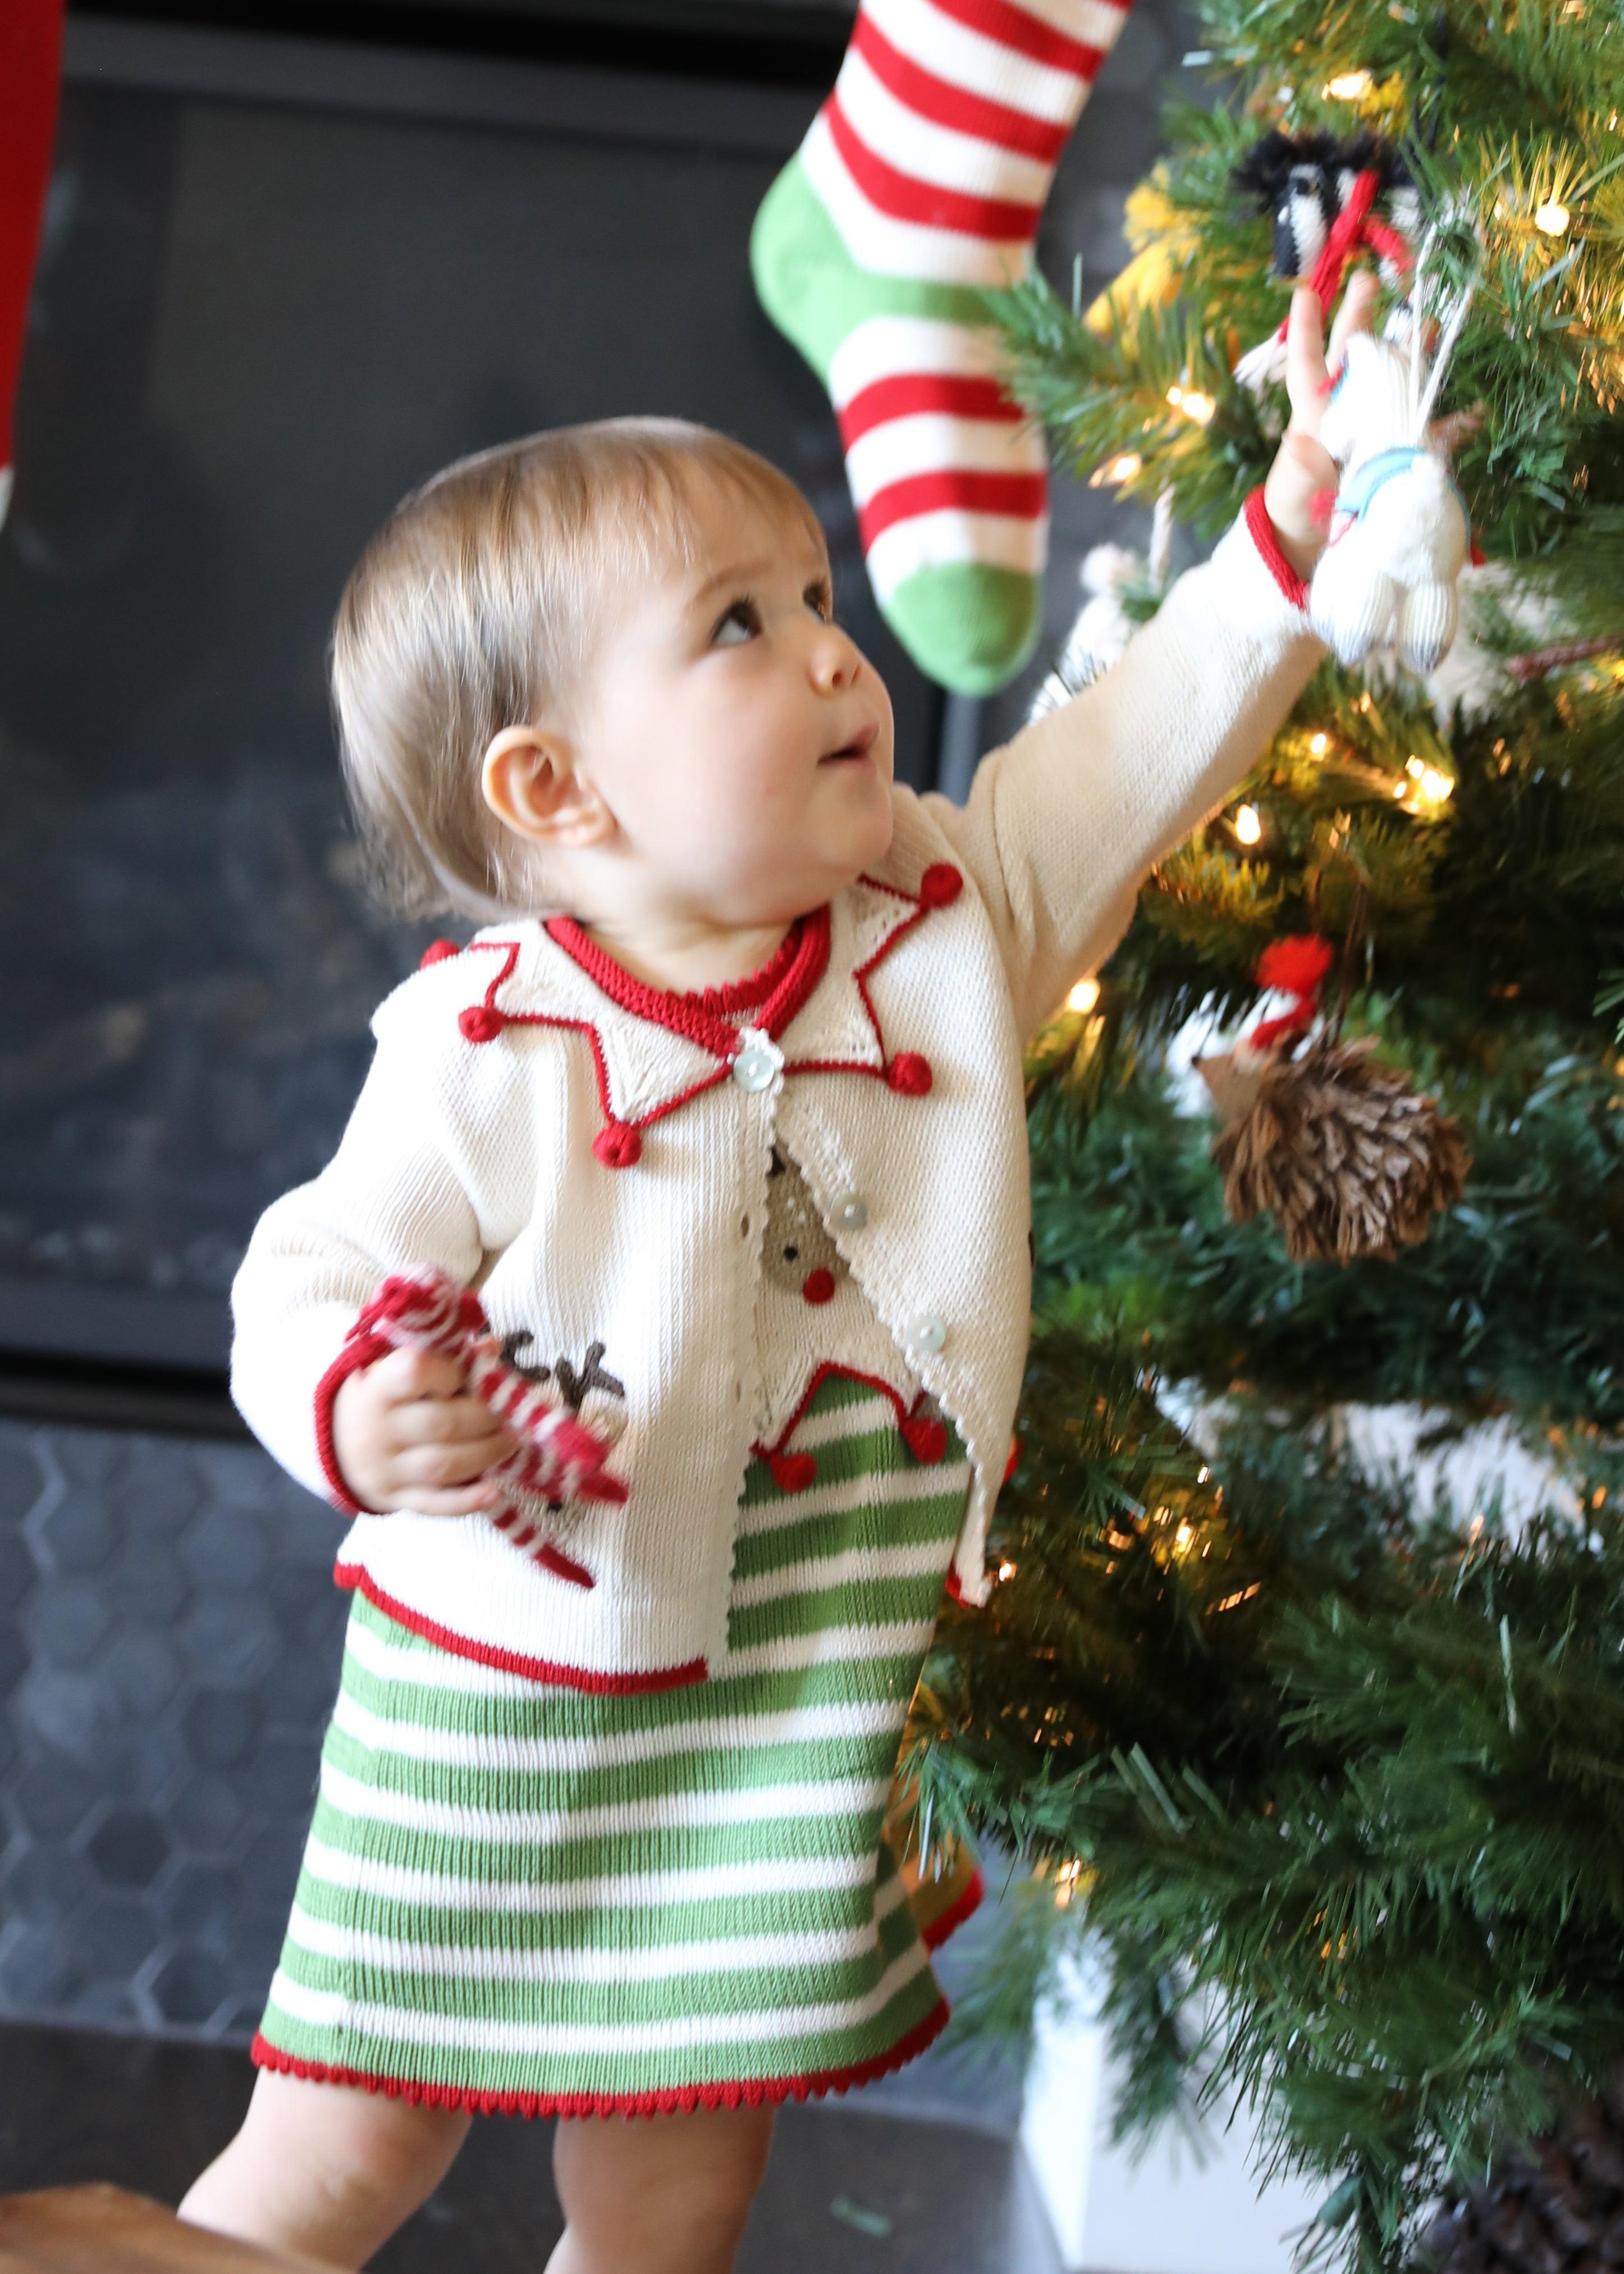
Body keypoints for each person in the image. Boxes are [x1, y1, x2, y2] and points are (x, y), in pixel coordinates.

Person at [176, 275, 1374, 2274]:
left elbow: (1132, 756)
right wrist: (356, 1403)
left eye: (818, 598)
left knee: (676, 2190)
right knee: (335, 2160)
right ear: (557, 791)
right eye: (742, 626)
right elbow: (309, 1269)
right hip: (503, 1690)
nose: (837, 657)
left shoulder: (947, 919)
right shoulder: (490, 1041)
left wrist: (1299, 520)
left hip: (793, 1704)